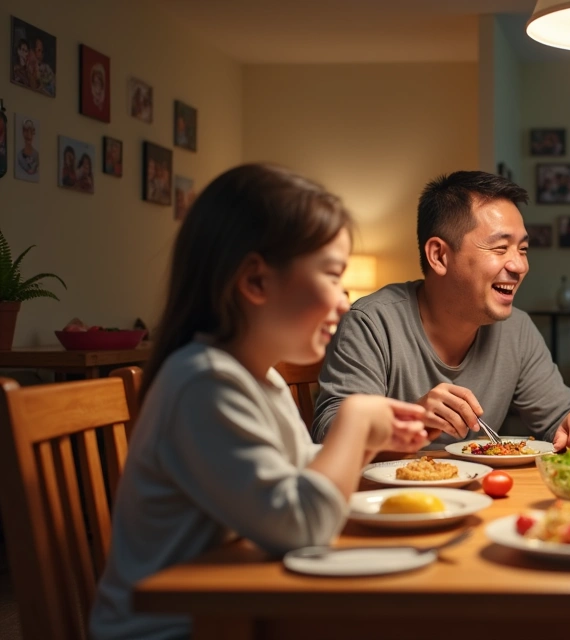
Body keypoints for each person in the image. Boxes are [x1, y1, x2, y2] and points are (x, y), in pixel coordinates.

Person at [90, 164, 431, 640]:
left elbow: (290, 471)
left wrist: (373, 441)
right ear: (256, 282)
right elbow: (300, 525)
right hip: (180, 626)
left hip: (240, 605)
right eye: (333, 277)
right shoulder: (204, 383)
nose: (344, 300)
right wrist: (354, 418)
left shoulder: (257, 377)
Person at [313, 170, 570, 452]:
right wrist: (412, 417)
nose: (519, 266)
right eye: (500, 248)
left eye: (522, 249)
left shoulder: (517, 329)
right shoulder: (371, 323)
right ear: (439, 255)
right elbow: (330, 433)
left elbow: (560, 415)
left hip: (485, 497)